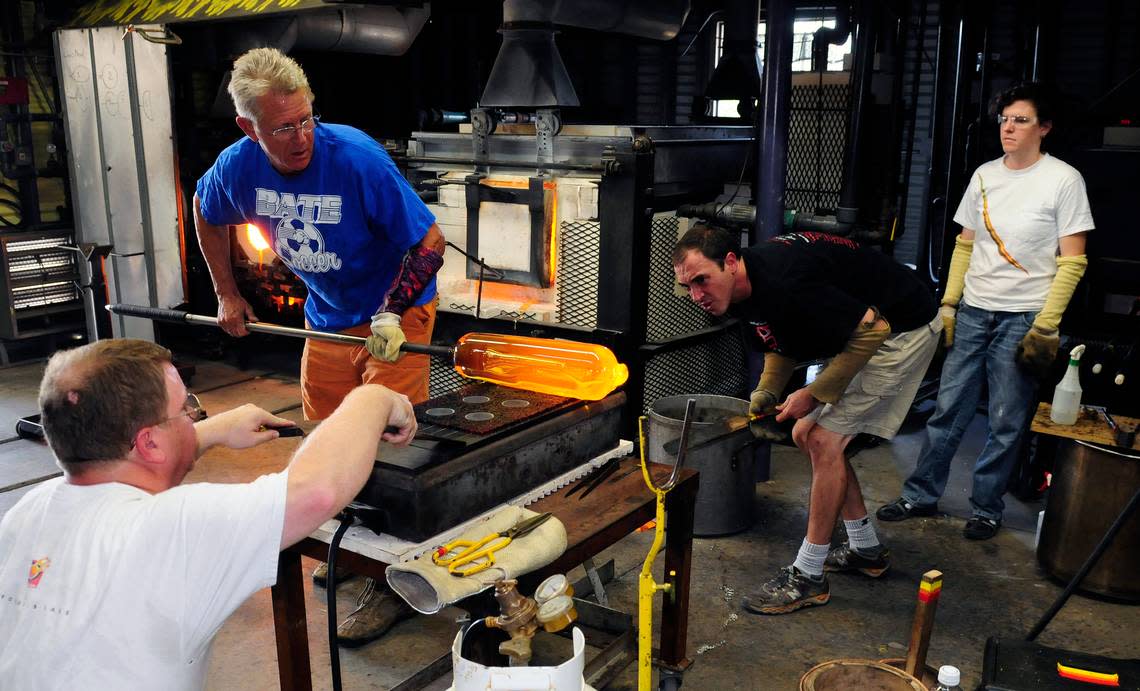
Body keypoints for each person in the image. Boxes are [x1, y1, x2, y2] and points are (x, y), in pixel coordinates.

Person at [193, 47, 444, 643]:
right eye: (283, 127)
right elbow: (207, 211)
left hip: (396, 312)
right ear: (248, 129)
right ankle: (351, 547)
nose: (301, 135)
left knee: (387, 443)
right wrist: (227, 293)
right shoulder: (236, 168)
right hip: (328, 315)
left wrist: (391, 311)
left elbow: (430, 242)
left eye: (306, 118)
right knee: (324, 435)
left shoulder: (355, 158)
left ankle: (395, 580)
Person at [0, 339, 416, 689]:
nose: (196, 416)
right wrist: (374, 398)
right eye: (186, 409)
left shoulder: (26, 512)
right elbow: (317, 490)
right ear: (148, 442)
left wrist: (211, 432)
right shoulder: (170, 529)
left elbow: (132, 458)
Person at [673, 225, 940, 614]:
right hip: (867, 326)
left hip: (901, 328)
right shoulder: (742, 288)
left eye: (702, 281)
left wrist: (812, 393)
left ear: (730, 262)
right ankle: (866, 550)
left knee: (822, 439)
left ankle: (809, 575)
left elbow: (873, 329)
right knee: (804, 433)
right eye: (688, 286)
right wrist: (766, 393)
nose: (697, 295)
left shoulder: (785, 280)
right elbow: (779, 344)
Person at [877, 83, 1093, 540]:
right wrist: (950, 305)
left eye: (1021, 120)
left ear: (1045, 128)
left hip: (1023, 317)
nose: (1009, 128)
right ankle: (920, 493)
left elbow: (1072, 261)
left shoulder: (1063, 180)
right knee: (947, 411)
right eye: (1005, 120)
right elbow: (964, 246)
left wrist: (1047, 325)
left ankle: (986, 508)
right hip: (974, 310)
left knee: (1006, 420)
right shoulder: (984, 175)